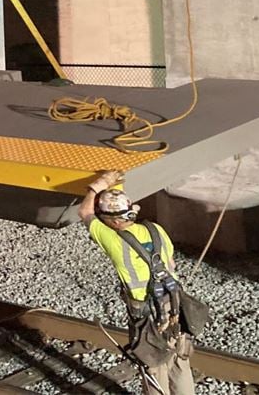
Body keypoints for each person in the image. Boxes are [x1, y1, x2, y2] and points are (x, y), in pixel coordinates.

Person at [79, 169, 195, 395]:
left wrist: (99, 184)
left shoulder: (114, 240)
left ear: (109, 221)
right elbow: (171, 263)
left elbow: (84, 211)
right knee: (179, 361)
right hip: (175, 308)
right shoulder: (155, 230)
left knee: (153, 365)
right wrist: (116, 183)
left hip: (146, 317)